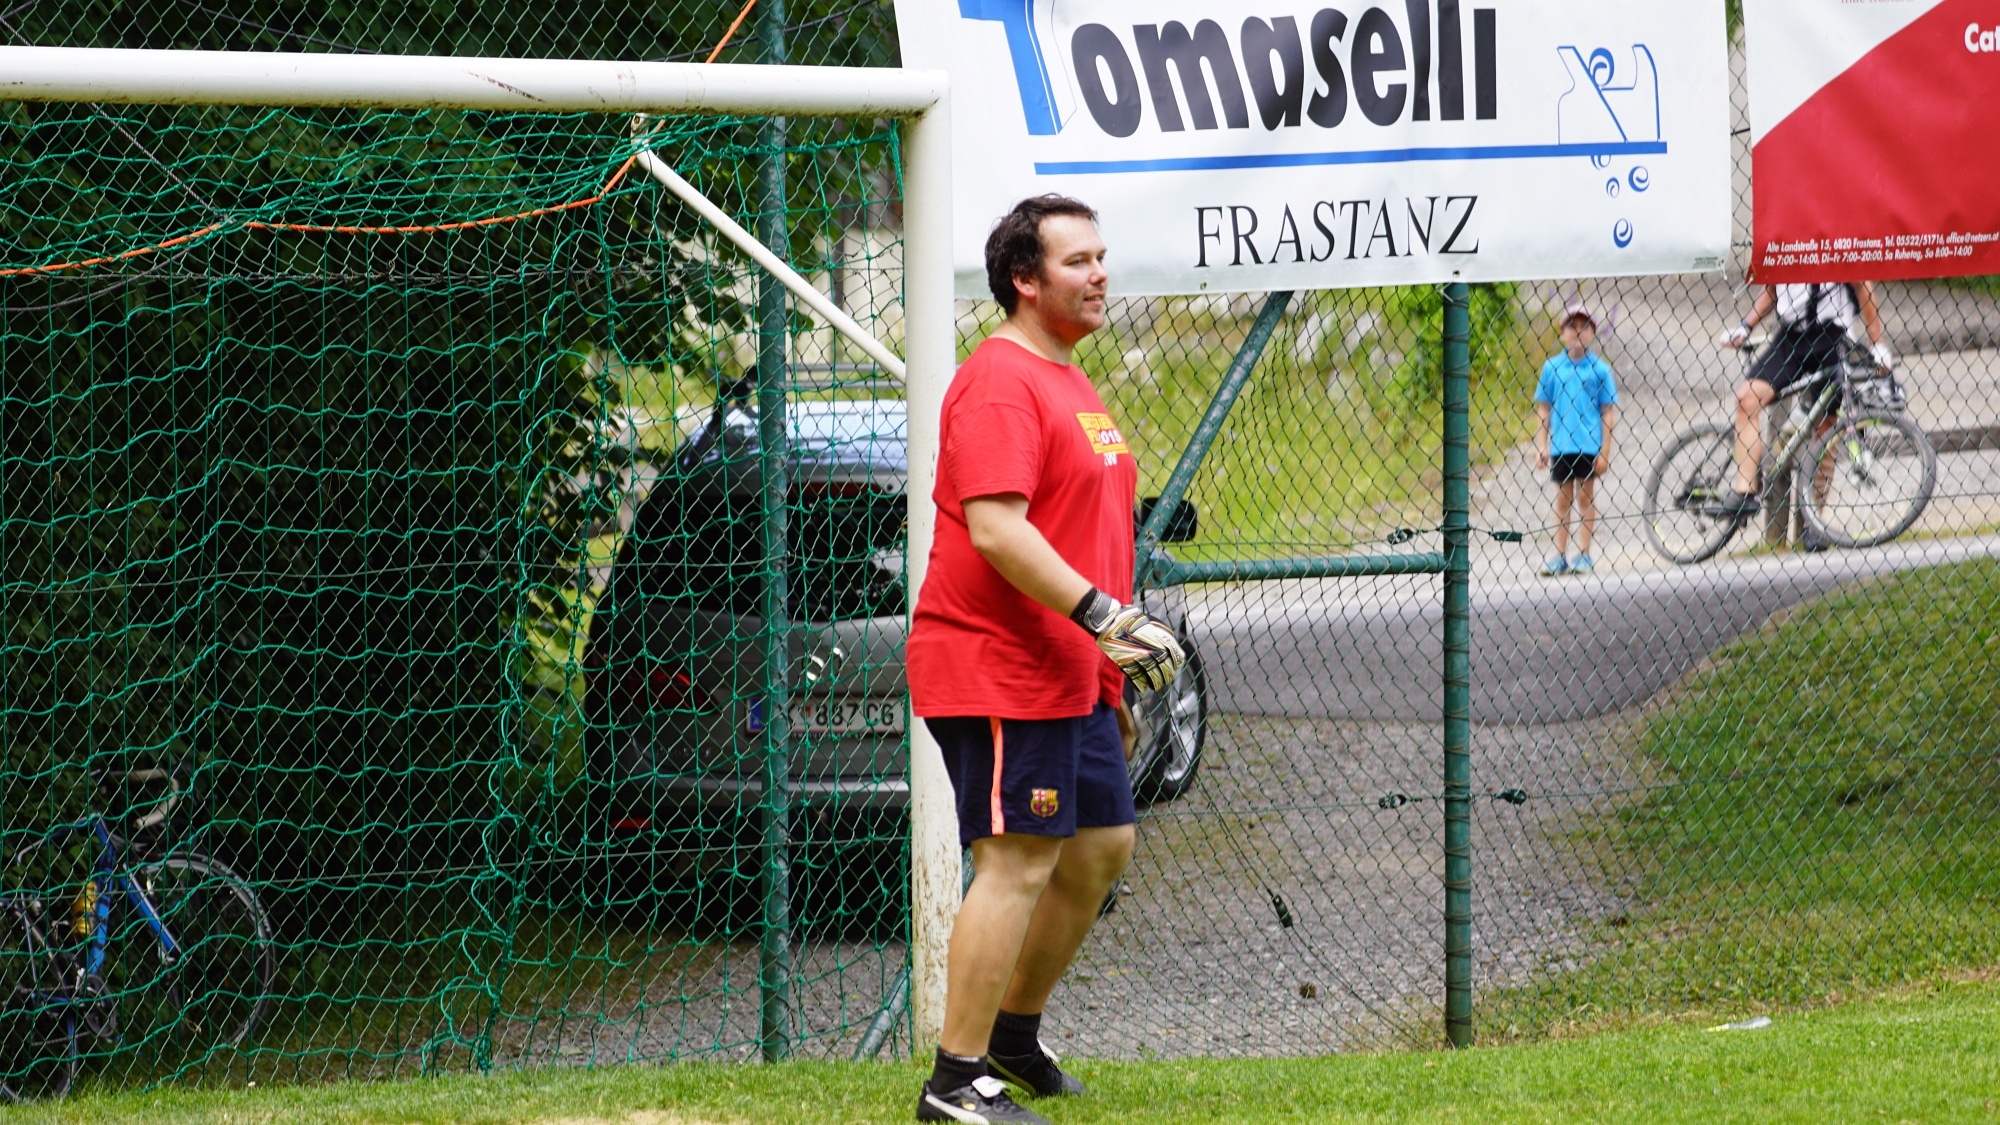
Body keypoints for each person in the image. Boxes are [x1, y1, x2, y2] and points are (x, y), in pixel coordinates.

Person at [905, 195, 1185, 1125]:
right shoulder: (1000, 379)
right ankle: (954, 1082)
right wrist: (1104, 615)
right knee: (1017, 859)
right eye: (1077, 261)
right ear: (1025, 280)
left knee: (1101, 844)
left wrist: (1107, 671)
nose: (1100, 273)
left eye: (1101, 256)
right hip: (999, 666)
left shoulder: (1070, 378)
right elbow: (995, 528)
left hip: (1071, 669)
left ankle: (1012, 1038)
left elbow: (1082, 528)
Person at [1714, 281, 1892, 518]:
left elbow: (1862, 285)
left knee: (1826, 431)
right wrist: (1746, 325)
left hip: (1833, 339)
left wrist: (1877, 343)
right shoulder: (1783, 254)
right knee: (1747, 399)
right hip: (1790, 337)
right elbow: (1771, 287)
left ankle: (1815, 521)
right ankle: (1744, 494)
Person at [1533, 306, 1618, 576]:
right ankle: (1559, 555)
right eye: (1572, 327)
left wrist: (1604, 451)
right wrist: (1542, 445)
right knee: (1562, 499)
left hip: (1588, 445)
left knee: (1585, 496)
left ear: (1592, 332)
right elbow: (1544, 408)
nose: (1578, 332)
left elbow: (1607, 412)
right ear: (1562, 333)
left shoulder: (1600, 370)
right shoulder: (1552, 368)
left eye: (1584, 327)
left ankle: (1584, 552)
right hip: (1561, 445)